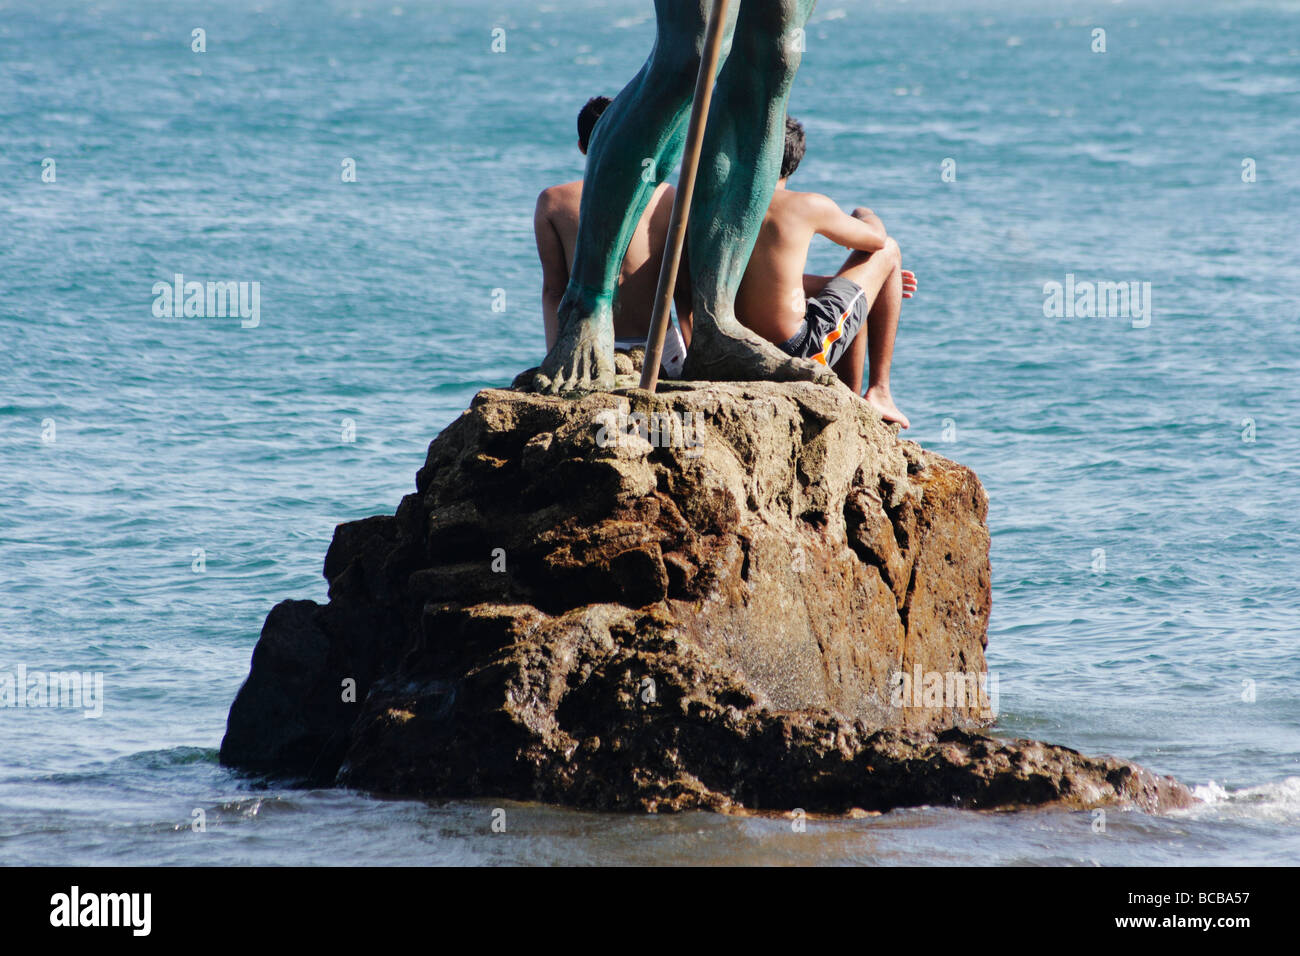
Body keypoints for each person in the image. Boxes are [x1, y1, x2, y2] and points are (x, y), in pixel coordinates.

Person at [535, 0, 841, 395]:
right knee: (692, 51)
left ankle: (717, 325)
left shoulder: (553, 201)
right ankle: (588, 304)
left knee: (777, 55)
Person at [735, 116, 917, 426]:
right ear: (794, 161)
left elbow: (755, 281)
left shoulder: (730, 206)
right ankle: (880, 391)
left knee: (846, 295)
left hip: (741, 348)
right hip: (796, 351)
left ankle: (849, 395)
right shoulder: (805, 205)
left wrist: (836, 283)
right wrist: (864, 213)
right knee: (890, 250)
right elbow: (876, 241)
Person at [533, 96, 689, 378]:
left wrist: (555, 359)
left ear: (582, 147)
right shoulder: (669, 196)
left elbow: (553, 291)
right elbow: (684, 293)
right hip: (662, 350)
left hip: (589, 348)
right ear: (629, 136)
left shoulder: (553, 202)